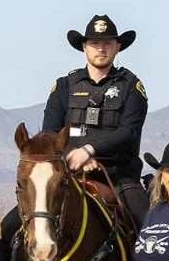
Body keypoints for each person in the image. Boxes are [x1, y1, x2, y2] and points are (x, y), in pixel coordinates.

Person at [39, 14, 151, 227]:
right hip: (68, 175)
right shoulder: (64, 86)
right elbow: (50, 134)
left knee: (146, 225)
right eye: (94, 43)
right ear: (84, 47)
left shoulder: (131, 86)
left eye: (107, 43)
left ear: (118, 47)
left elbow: (130, 131)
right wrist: (74, 157)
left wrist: (89, 150)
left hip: (119, 177)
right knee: (11, 224)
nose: (101, 49)